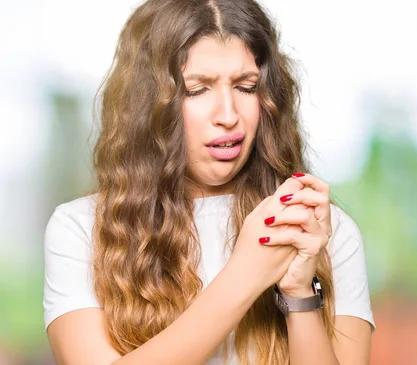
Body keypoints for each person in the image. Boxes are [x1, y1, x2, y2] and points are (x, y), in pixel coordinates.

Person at [42, 0, 375, 364]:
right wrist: (246, 273)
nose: (228, 116)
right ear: (148, 104)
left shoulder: (322, 233)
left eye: (246, 87)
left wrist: (299, 294)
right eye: (197, 89)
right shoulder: (81, 229)